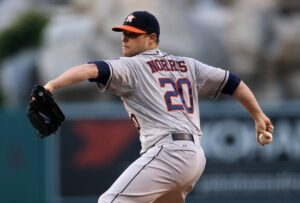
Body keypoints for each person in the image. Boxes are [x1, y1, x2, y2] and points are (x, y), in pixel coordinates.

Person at [42, 11, 274, 203]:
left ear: (151, 39)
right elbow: (233, 82)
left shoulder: (132, 66)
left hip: (168, 153)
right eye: (124, 33)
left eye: (132, 35)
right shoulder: (187, 65)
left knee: (109, 202)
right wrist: (257, 115)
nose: (125, 38)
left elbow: (90, 69)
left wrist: (51, 86)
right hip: (193, 157)